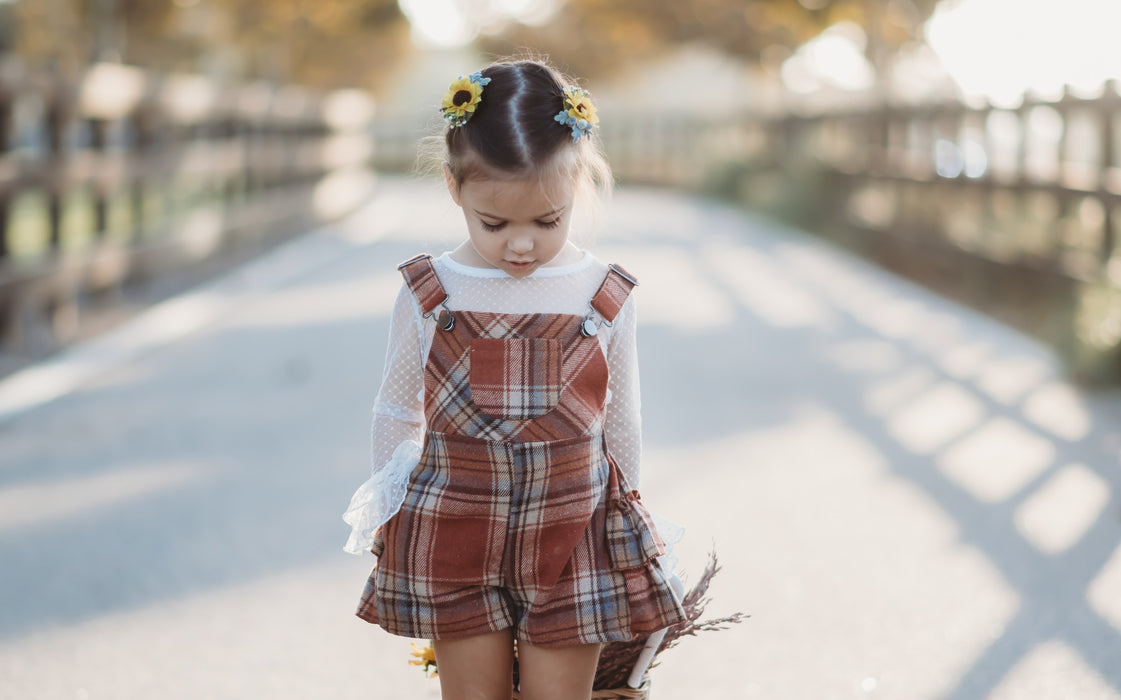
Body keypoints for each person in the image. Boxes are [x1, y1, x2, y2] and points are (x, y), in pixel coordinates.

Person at [342, 59, 685, 700]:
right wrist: (390, 506)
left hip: (574, 531)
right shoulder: (430, 291)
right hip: (455, 526)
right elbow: (395, 409)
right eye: (494, 224)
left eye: (546, 222)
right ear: (454, 188)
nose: (521, 246)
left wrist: (626, 520)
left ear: (578, 184)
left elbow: (622, 415)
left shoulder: (603, 292)